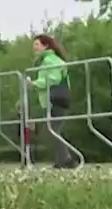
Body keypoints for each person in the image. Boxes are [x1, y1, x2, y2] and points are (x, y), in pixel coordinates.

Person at [31, 34, 78, 169]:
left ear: (45, 46)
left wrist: (34, 84)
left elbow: (53, 79)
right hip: (56, 98)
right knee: (53, 130)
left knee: (54, 130)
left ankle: (67, 159)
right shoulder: (48, 60)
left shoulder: (50, 60)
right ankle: (62, 160)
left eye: (37, 45)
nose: (34, 48)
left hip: (56, 99)